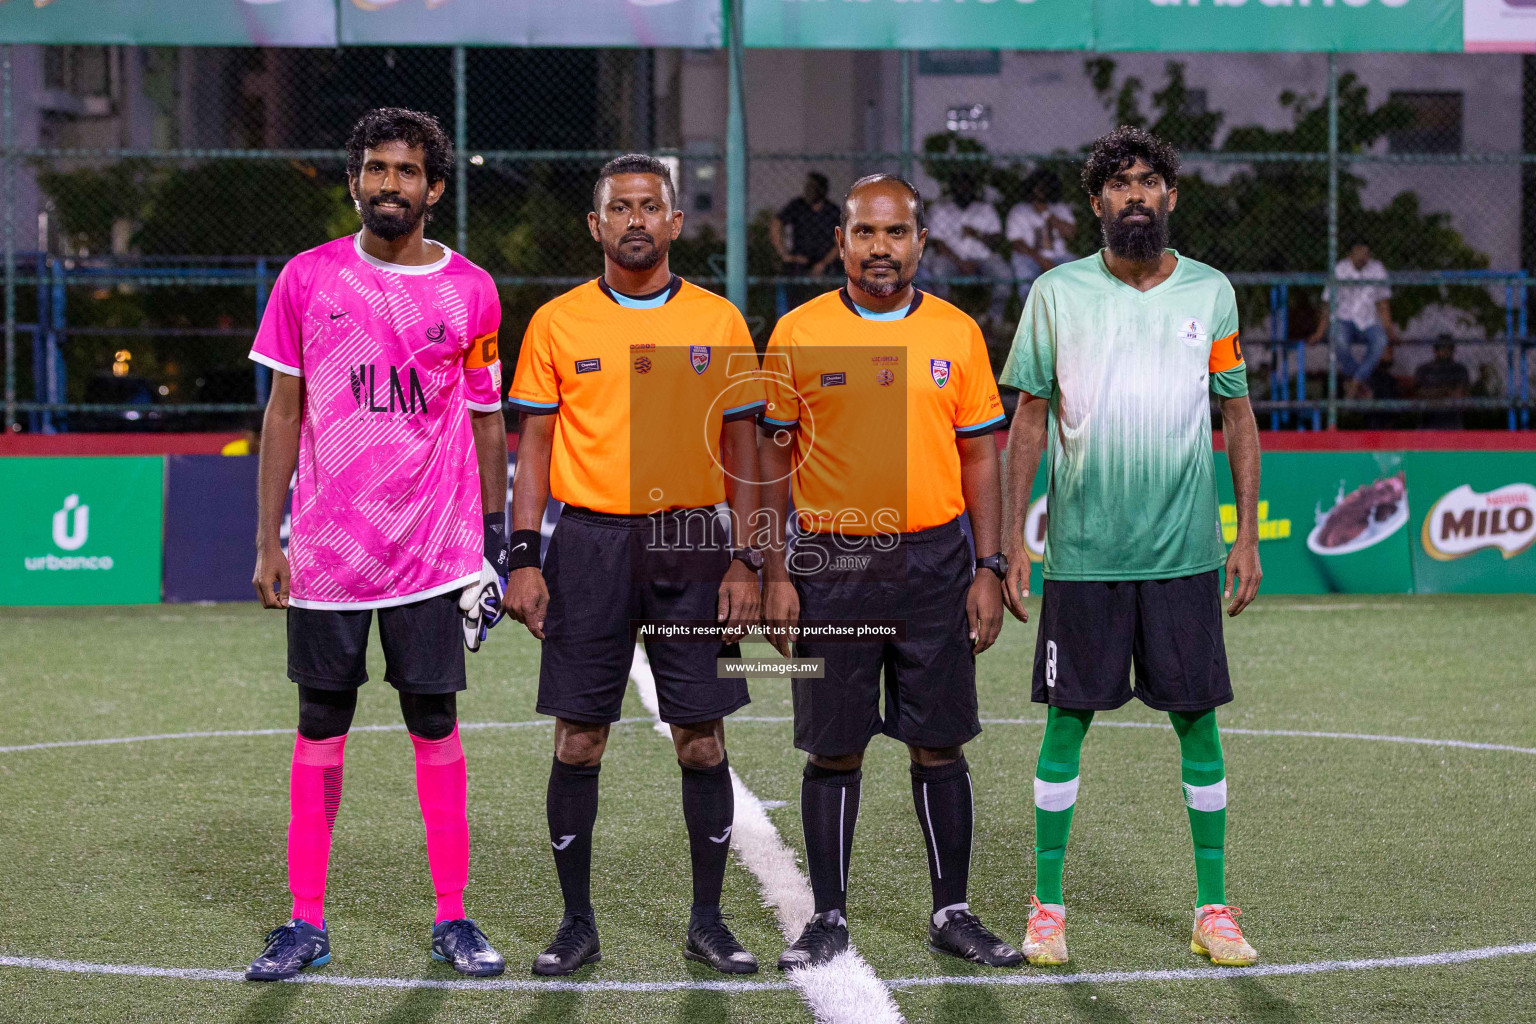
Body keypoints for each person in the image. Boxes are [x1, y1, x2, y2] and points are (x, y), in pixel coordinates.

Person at [244, 108, 509, 981]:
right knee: (321, 722)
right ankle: (304, 922)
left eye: (406, 171)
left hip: (431, 551)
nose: (388, 184)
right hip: (327, 551)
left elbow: (486, 422)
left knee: (433, 721)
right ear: (355, 179)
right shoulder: (308, 278)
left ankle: (454, 918)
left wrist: (493, 543)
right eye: (374, 169)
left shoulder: (470, 290)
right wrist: (268, 539)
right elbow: (284, 412)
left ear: (434, 187)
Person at [999, 125, 1263, 970]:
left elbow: (1237, 414)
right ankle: (1047, 908)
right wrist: (1010, 543)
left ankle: (1212, 908)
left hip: (1184, 553)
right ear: (1097, 203)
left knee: (1198, 723)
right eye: (1120, 184)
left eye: (1150, 180)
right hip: (1082, 556)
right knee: (1064, 724)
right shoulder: (1056, 294)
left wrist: (1246, 535)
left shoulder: (1210, 293)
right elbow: (1028, 420)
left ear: (1171, 196)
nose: (1136, 195)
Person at [504, 154, 767, 977]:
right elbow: (536, 448)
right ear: (596, 225)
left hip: (693, 540)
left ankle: (708, 921)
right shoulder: (557, 323)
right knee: (580, 740)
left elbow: (745, 448)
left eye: (651, 207)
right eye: (620, 208)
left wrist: (747, 557)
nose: (635, 221)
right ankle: (576, 923)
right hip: (588, 543)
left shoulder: (720, 321)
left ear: (676, 221)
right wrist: (522, 557)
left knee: (700, 740)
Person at [759, 173, 1021, 971]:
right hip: (832, 563)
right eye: (865, 233)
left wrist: (990, 566)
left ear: (920, 243)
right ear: (840, 241)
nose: (881, 248)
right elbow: (770, 462)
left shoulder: (957, 334)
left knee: (938, 743)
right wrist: (775, 572)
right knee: (835, 747)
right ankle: (828, 917)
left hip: (936, 561)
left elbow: (981, 457)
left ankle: (953, 911)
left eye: (896, 233)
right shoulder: (797, 332)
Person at [918, 172, 1011, 335]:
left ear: (974, 189)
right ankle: (944, 319)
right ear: (952, 188)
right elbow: (938, 244)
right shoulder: (941, 209)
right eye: (959, 185)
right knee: (939, 270)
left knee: (1004, 273)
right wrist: (961, 263)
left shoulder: (985, 209)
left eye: (967, 186)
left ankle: (993, 320)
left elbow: (997, 239)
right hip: (951, 259)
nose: (963, 189)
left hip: (982, 257)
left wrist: (978, 234)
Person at [1309, 241, 1403, 399]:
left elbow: (1383, 303)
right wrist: (1319, 332)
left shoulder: (1377, 269)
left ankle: (1355, 382)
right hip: (1343, 318)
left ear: (1369, 255)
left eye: (1365, 254)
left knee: (1380, 340)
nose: (1361, 257)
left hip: (1368, 320)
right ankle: (1360, 381)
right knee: (1338, 340)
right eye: (1358, 253)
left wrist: (1389, 330)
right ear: (1350, 255)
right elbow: (1327, 303)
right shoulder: (1340, 269)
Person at [1005, 169, 1076, 304]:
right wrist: (1041, 260)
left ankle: (1069, 319)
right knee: (1024, 273)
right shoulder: (1019, 210)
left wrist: (1047, 215)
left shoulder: (1060, 208)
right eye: (1038, 186)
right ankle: (1031, 319)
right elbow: (1017, 243)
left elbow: (1070, 234)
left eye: (1046, 186)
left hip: (1059, 256)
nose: (1041, 190)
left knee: (1077, 271)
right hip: (1029, 257)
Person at [772, 172, 841, 281]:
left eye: (813, 187)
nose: (809, 190)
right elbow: (776, 223)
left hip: (825, 259)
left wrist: (823, 263)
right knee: (791, 271)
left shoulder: (832, 211)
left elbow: (840, 243)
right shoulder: (798, 206)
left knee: (834, 272)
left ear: (822, 190)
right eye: (808, 186)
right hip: (800, 259)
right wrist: (784, 253)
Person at [1413, 335, 1472, 429]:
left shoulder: (1459, 369)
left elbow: (1460, 394)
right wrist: (1444, 390)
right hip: (1428, 421)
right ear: (1435, 350)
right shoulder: (1425, 369)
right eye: (1442, 348)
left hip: (1453, 421)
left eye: (1449, 348)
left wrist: (1436, 392)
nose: (1446, 351)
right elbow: (1419, 393)